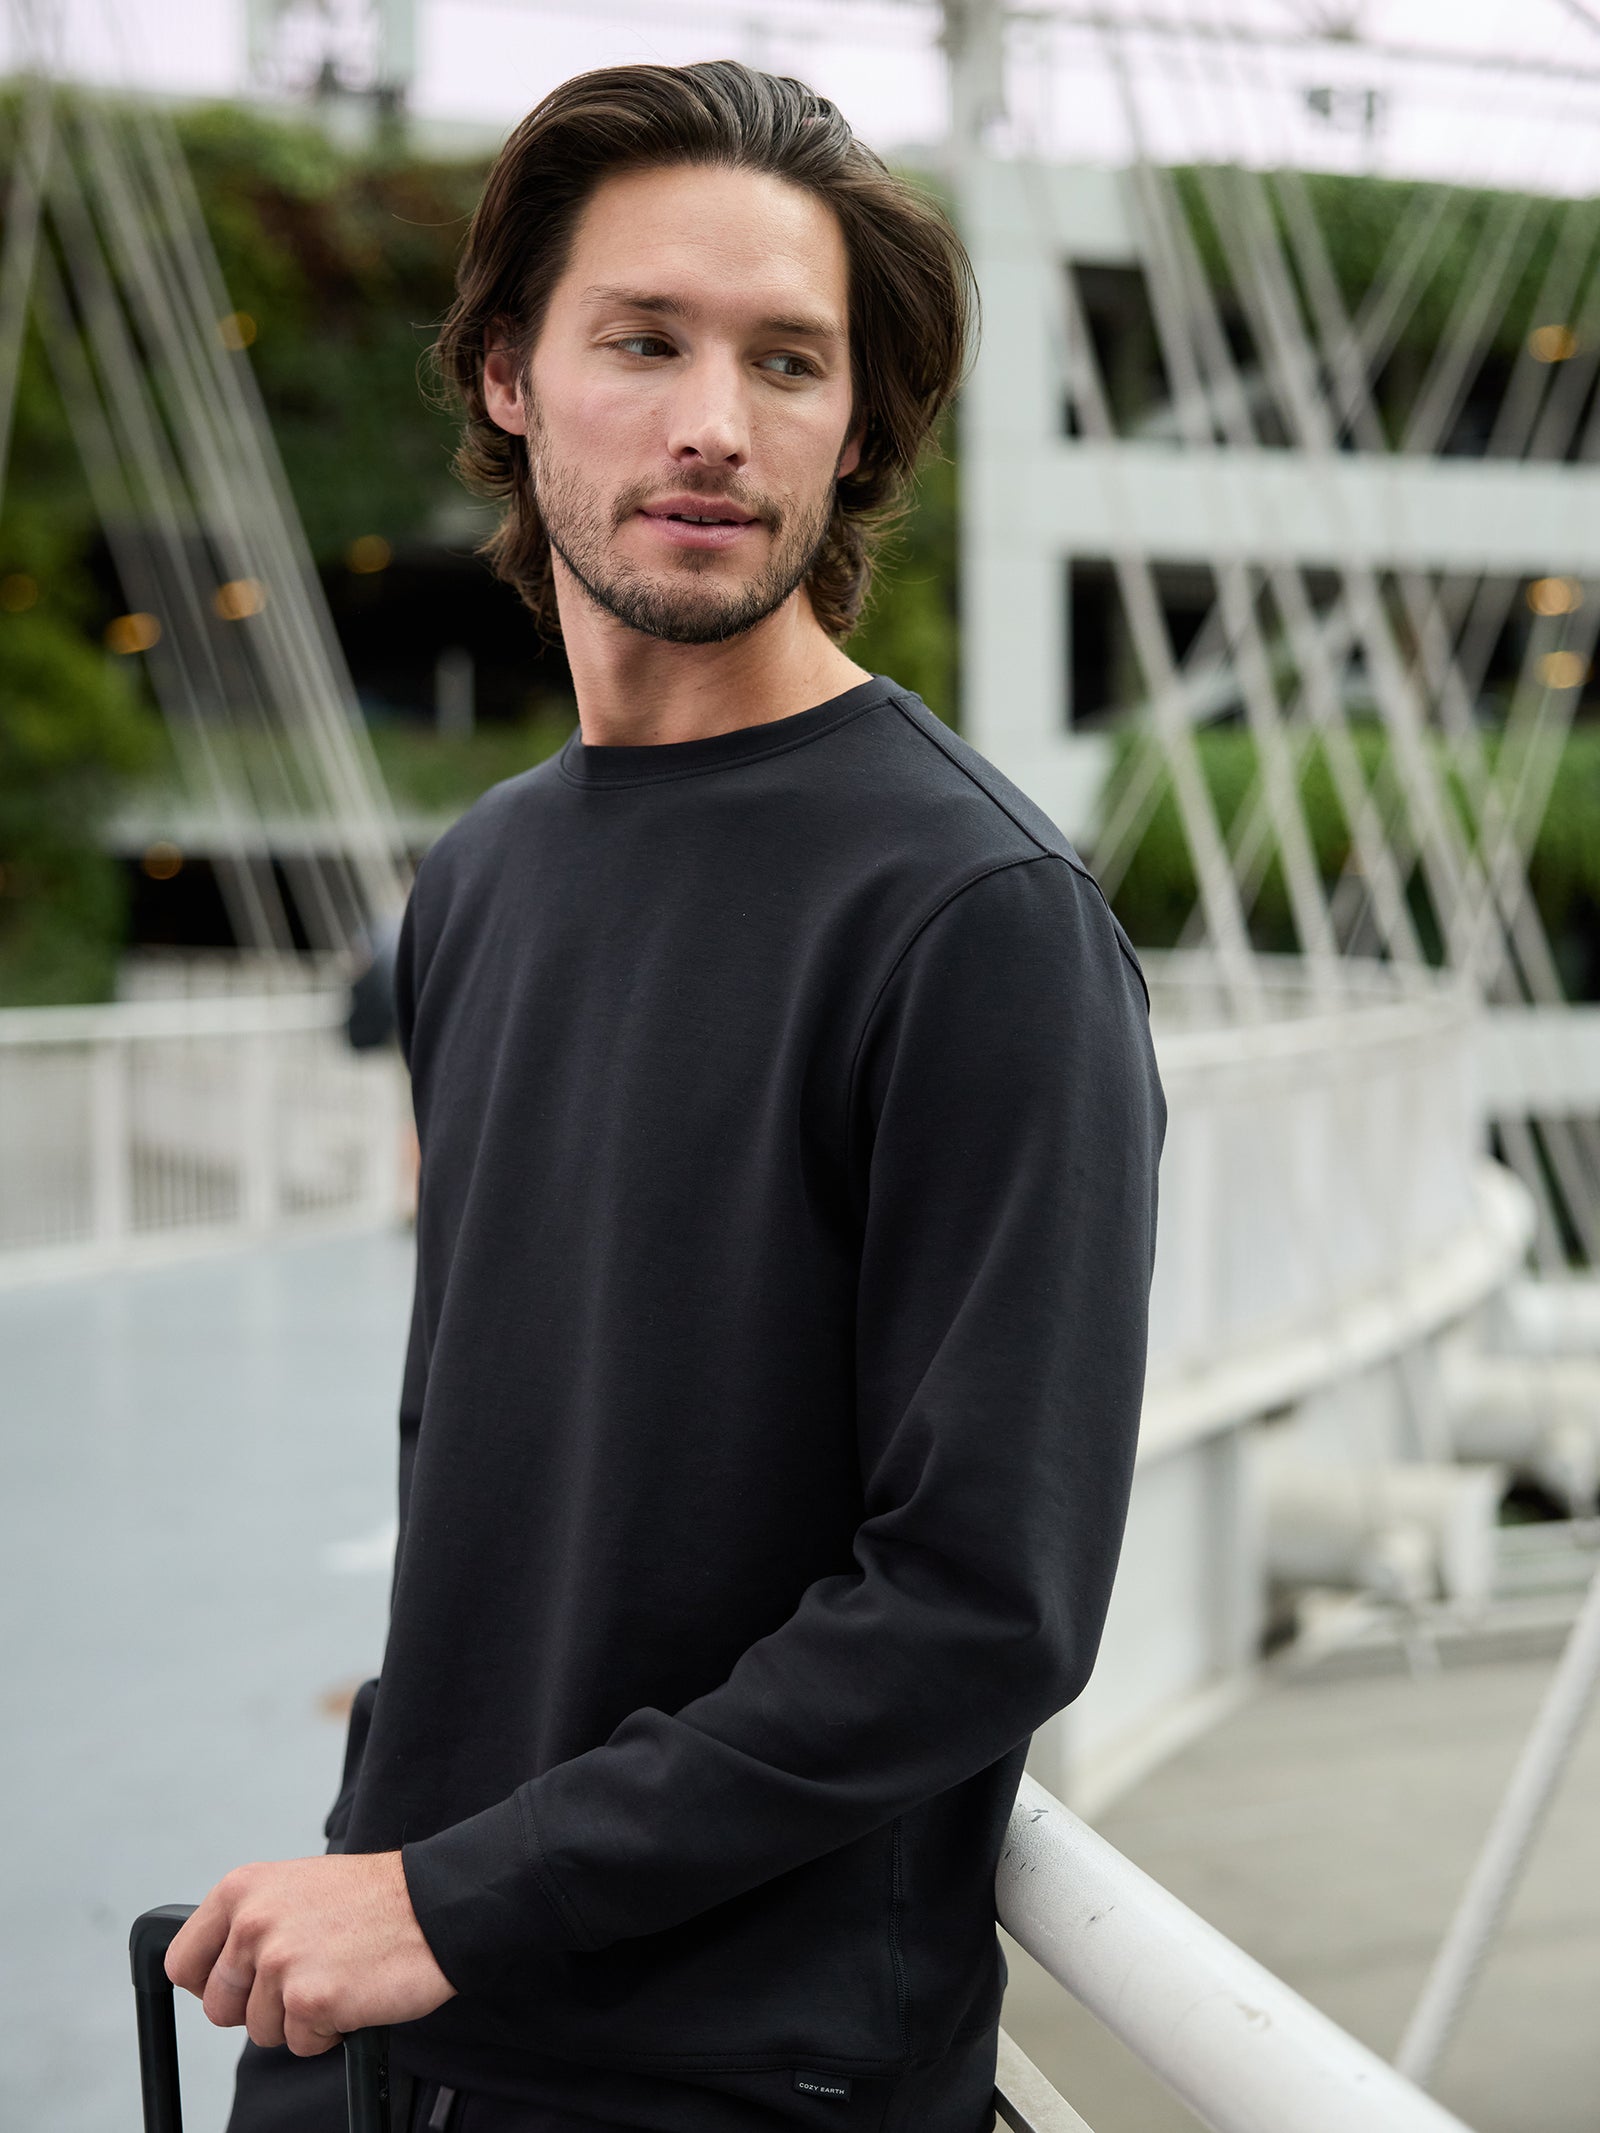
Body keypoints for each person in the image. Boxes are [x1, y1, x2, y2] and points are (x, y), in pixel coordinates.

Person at [167, 59, 1165, 2133]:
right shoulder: (491, 874)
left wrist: (461, 1893)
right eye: (643, 339)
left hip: (728, 2074)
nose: (715, 418)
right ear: (510, 374)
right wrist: (386, 1881)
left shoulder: (975, 914)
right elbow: (494, 1478)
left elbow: (980, 1598)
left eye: (785, 360)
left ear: (852, 425)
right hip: (397, 2024)